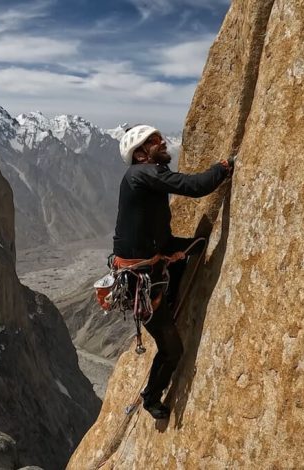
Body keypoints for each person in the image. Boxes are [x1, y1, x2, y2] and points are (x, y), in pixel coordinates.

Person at [114, 124, 233, 419]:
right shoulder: (142, 173)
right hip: (140, 282)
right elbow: (194, 187)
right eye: (154, 141)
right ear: (140, 154)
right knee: (172, 351)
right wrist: (223, 168)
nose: (162, 142)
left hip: (148, 265)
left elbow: (151, 227)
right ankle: (152, 398)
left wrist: (169, 252)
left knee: (195, 247)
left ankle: (169, 299)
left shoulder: (142, 178)